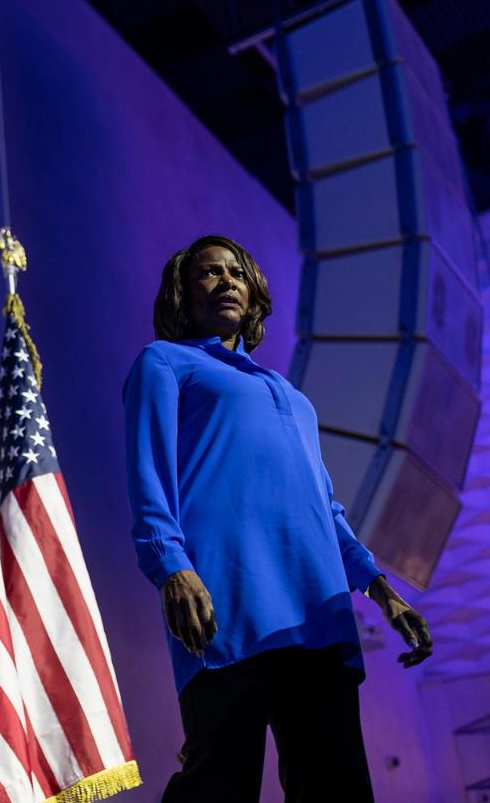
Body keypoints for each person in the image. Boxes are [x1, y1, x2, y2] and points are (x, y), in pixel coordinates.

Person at [122, 235, 432, 803]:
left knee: (337, 790)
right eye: (208, 274)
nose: (226, 281)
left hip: (318, 613)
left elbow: (326, 510)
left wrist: (382, 590)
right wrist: (171, 567)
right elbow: (149, 475)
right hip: (226, 605)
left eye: (236, 272)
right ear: (183, 296)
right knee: (219, 785)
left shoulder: (292, 396)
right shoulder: (164, 362)